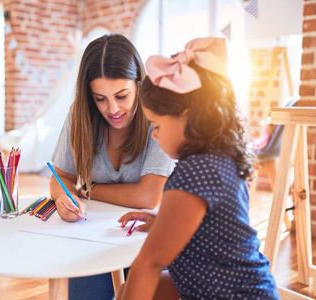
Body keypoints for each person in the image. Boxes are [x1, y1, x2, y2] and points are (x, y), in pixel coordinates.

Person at [117, 37, 280, 300]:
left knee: (136, 281)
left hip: (231, 294)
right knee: (126, 290)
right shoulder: (220, 157)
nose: (155, 136)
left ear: (188, 116)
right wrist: (163, 223)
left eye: (156, 125)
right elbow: (212, 225)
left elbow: (149, 263)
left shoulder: (195, 173)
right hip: (227, 285)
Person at [50, 33, 174, 300]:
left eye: (122, 95)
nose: (113, 108)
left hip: (149, 233)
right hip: (95, 235)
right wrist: (64, 197)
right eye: (100, 98)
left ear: (139, 85)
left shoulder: (158, 117)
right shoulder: (80, 115)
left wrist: (89, 190)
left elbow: (149, 196)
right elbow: (61, 177)